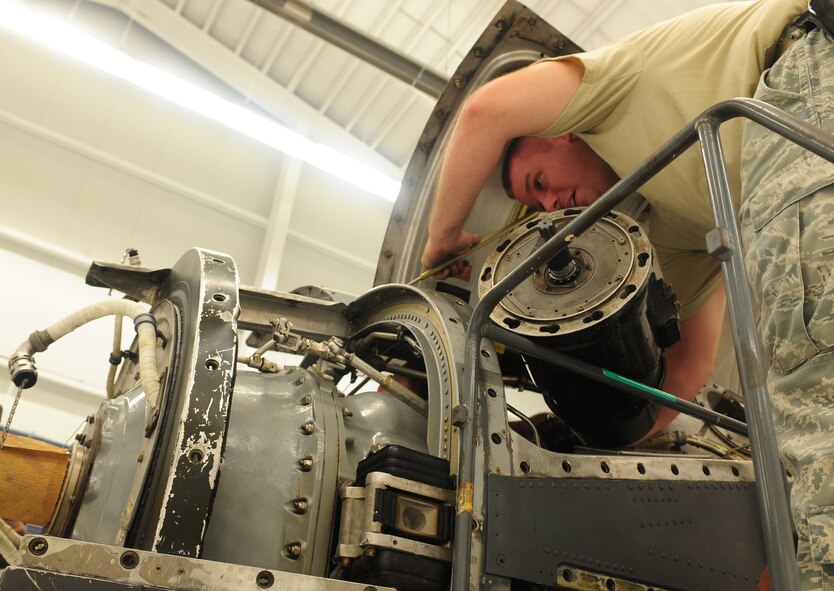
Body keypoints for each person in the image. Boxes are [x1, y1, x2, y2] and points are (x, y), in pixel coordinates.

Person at [420, 0, 834, 588]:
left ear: (562, 133)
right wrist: (596, 446)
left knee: (813, 368)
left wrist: (443, 243)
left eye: (541, 184)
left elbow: (487, 109)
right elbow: (686, 372)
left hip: (804, 82)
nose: (552, 206)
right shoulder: (677, 223)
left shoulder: (612, 83)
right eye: (538, 207)